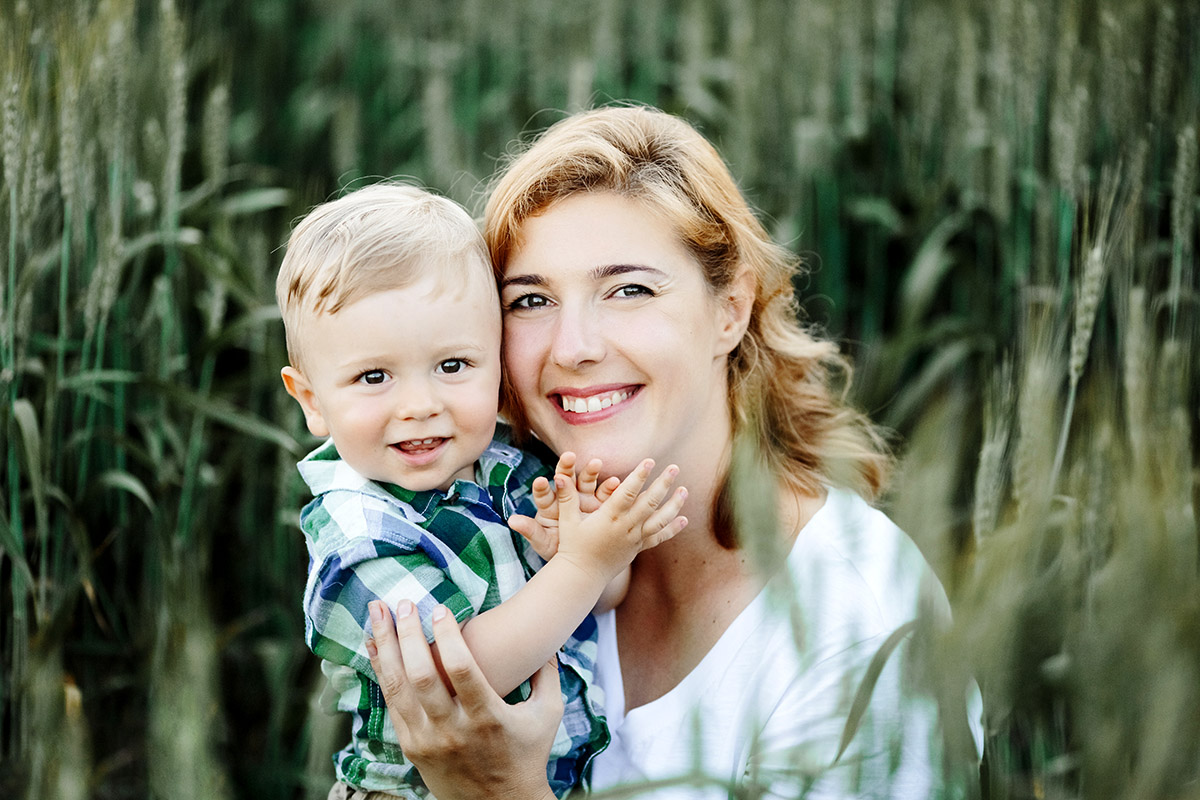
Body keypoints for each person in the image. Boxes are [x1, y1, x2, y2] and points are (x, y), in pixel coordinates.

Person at [364, 106, 980, 799]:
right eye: (531, 301)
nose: (574, 347)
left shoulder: (858, 620)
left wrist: (497, 791)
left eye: (629, 290)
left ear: (731, 308)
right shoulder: (499, 549)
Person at [275, 183, 689, 799]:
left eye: (452, 366)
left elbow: (598, 601)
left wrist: (584, 553)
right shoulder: (358, 535)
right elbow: (457, 677)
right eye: (374, 376)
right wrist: (579, 565)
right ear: (312, 400)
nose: (419, 406)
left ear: (496, 369)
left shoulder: (508, 469)